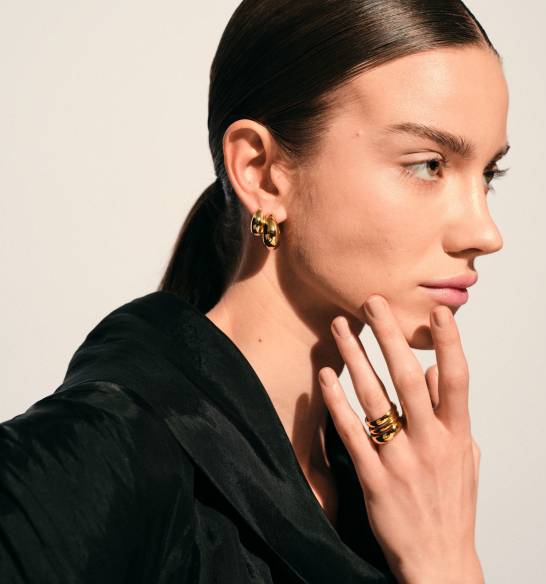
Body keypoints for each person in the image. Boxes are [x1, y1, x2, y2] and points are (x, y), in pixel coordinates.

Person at [0, 0, 511, 582]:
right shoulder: (95, 456)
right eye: (428, 165)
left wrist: (444, 559)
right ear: (262, 172)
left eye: (489, 174)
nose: (485, 233)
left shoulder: (392, 491)